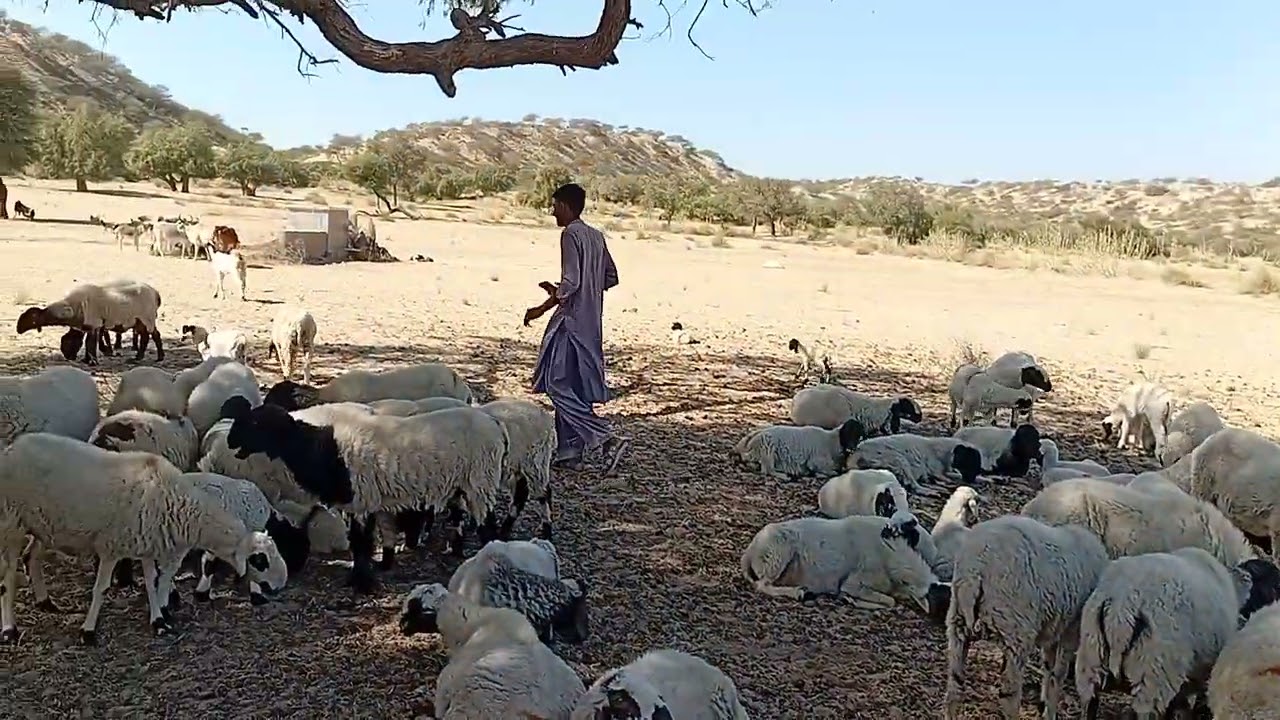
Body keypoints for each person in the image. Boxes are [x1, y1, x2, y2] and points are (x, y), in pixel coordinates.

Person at [523, 182, 629, 473]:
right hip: (591, 323)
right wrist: (586, 292)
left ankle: (606, 438)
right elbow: (610, 277)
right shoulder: (596, 236)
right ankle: (570, 453)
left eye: (555, 206)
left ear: (566, 206)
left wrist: (543, 306)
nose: (552, 212)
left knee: (556, 385)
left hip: (569, 323)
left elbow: (571, 282)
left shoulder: (570, 234)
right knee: (575, 386)